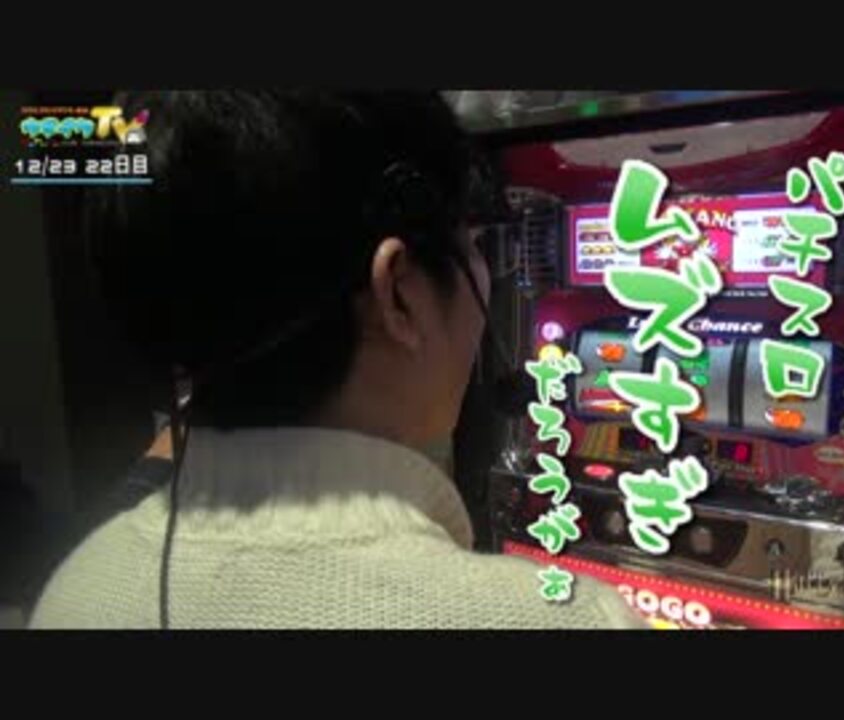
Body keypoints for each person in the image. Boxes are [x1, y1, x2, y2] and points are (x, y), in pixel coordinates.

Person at [29, 91, 647, 629]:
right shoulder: (566, 619)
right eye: (476, 247)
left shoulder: (76, 589)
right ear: (398, 292)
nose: (486, 278)